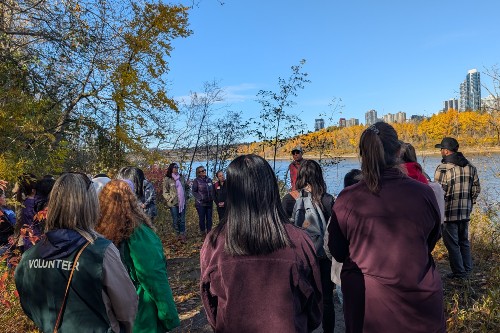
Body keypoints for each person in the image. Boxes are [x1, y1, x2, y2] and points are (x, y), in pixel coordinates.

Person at [328, 122, 445, 333]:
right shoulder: (423, 193)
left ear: (362, 155)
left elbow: (337, 251)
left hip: (368, 309)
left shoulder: (347, 198)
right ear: (400, 151)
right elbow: (430, 241)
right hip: (421, 306)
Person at [200, 154, 322, 332]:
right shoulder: (298, 240)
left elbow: (210, 306)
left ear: (231, 193)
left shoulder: (214, 243)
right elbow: (314, 307)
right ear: (270, 188)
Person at [14, 173, 138, 333]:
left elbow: (28, 304)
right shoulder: (101, 250)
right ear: (89, 205)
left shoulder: (29, 256)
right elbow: (127, 306)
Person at [97, 180, 180, 332]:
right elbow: (154, 277)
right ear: (132, 201)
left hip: (112, 315)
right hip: (141, 316)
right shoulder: (138, 234)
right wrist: (170, 317)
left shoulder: (98, 234)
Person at [293, 159, 335, 333]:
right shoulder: (328, 200)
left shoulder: (291, 200)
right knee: (326, 299)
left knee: (303, 296)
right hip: (323, 257)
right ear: (319, 176)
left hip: (302, 256)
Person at [434, 137, 480, 279]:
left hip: (448, 214)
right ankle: (468, 268)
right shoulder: (471, 167)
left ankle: (459, 273)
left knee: (452, 244)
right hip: (465, 212)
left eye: (441, 149)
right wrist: (469, 203)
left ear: (446, 151)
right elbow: (476, 189)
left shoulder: (443, 168)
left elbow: (438, 192)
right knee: (464, 241)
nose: (441, 151)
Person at [163, 163, 188, 242]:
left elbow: (187, 188)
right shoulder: (167, 179)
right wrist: (170, 198)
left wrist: (186, 195)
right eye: (175, 167)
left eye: (177, 167)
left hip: (182, 202)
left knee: (182, 220)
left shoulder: (181, 177)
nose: (176, 168)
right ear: (171, 168)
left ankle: (182, 234)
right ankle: (176, 234)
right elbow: (165, 191)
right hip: (173, 203)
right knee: (175, 220)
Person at [192, 166, 213, 237]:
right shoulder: (196, 181)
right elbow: (194, 192)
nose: (204, 172)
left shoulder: (209, 179)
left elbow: (212, 189)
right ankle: (203, 233)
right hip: (201, 204)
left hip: (209, 202)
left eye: (204, 170)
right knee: (202, 219)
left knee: (209, 218)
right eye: (202, 171)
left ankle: (209, 233)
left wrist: (213, 197)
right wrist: (200, 198)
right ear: (198, 173)